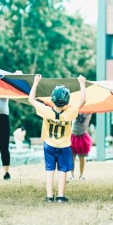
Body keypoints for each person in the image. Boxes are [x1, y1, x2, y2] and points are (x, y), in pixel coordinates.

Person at [28, 75, 87, 203]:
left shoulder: (46, 111)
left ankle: (49, 196)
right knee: (62, 170)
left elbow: (31, 99)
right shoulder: (69, 113)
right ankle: (60, 196)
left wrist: (36, 82)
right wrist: (82, 83)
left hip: (49, 145)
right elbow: (82, 101)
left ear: (52, 99)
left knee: (49, 170)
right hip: (64, 146)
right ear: (67, 101)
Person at [70, 113, 92, 180]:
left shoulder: (89, 112)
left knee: (81, 158)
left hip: (82, 136)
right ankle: (71, 175)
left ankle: (81, 175)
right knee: (72, 157)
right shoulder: (76, 109)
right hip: (73, 136)